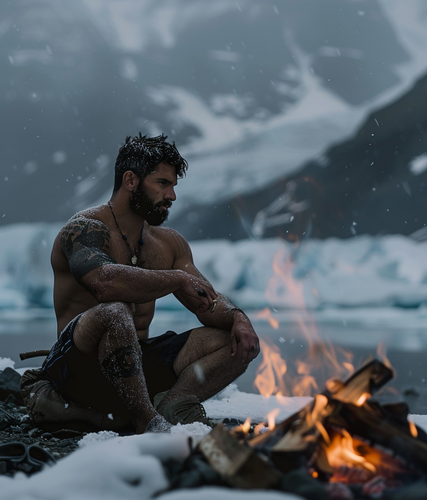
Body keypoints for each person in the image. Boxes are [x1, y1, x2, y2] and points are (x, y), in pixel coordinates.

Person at [20, 134, 260, 434]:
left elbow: (207, 300)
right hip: (78, 370)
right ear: (130, 180)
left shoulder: (168, 244)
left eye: (173, 185)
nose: (172, 196)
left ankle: (174, 405)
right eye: (162, 183)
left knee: (234, 341)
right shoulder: (84, 229)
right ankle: (146, 420)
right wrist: (175, 279)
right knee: (115, 312)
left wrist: (238, 317)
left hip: (137, 370)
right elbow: (105, 283)